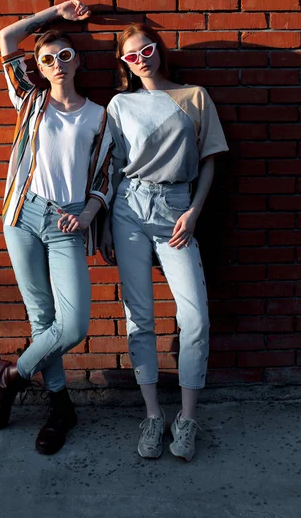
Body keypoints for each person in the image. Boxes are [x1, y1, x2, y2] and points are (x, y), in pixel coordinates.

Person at [0, 0, 113, 455]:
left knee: (73, 324)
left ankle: (10, 375)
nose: (57, 64)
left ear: (77, 61)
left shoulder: (101, 116)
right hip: (22, 216)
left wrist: (90, 210)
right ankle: (60, 407)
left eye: (64, 55)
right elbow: (6, 39)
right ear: (38, 67)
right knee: (42, 319)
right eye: (47, 58)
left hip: (67, 223)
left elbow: (107, 176)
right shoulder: (30, 100)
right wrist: (55, 13)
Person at [101, 24, 228, 461]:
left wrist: (193, 212)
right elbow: (111, 167)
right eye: (131, 56)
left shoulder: (194, 96)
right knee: (140, 317)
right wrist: (103, 225)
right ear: (124, 63)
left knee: (194, 317)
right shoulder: (120, 104)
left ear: (160, 50)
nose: (141, 59)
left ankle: (187, 419)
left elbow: (210, 160)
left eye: (147, 50)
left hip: (177, 208)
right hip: (129, 209)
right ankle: (153, 415)